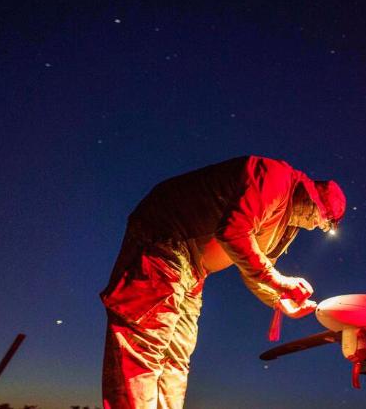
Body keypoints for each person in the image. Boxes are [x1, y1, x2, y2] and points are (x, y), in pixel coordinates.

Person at [99, 155, 346, 409]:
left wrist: (278, 299)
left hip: (194, 270)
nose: (315, 226)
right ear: (310, 199)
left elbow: (252, 263)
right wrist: (280, 281)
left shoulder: (285, 224)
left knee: (176, 356)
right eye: (320, 219)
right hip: (164, 241)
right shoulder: (275, 179)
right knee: (145, 342)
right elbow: (233, 233)